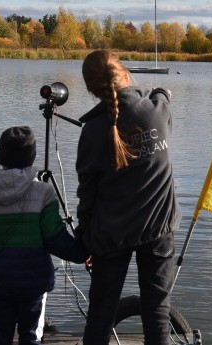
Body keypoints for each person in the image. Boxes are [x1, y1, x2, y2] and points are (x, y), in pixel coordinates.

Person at [75, 50, 181, 345]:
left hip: (110, 234)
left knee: (101, 313)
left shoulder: (93, 130)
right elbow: (159, 98)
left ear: (92, 88)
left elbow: (88, 193)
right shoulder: (157, 112)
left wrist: (85, 237)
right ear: (124, 71)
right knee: (158, 312)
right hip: (157, 229)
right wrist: (159, 91)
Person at [0, 126, 88, 345]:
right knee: (31, 336)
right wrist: (82, 252)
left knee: (0, 337)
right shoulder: (43, 192)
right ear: (32, 157)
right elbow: (55, 239)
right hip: (33, 284)